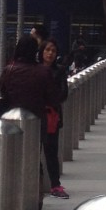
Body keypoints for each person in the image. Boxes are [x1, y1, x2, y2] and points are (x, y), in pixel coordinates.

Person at [0, 35, 60, 210]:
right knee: (33, 161)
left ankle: (10, 198)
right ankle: (34, 200)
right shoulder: (43, 72)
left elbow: (1, 93)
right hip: (36, 124)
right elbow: (54, 99)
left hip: (10, 124)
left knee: (11, 161)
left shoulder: (9, 70)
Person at [39, 38, 69, 199]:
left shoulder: (60, 70)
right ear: (41, 51)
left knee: (51, 151)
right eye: (47, 50)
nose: (50, 53)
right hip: (35, 116)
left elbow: (63, 94)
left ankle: (55, 185)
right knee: (33, 151)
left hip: (51, 116)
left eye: (53, 51)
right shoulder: (34, 69)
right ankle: (36, 182)